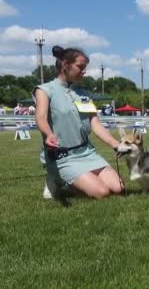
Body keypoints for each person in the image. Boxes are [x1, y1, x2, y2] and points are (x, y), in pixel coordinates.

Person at [34, 45, 124, 200]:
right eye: (80, 67)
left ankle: (75, 180)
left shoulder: (83, 94)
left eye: (85, 67)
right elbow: (40, 117)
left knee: (118, 188)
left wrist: (115, 144)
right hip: (62, 156)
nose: (84, 71)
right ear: (64, 65)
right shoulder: (44, 90)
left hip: (86, 153)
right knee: (101, 193)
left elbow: (95, 123)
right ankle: (56, 179)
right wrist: (48, 134)